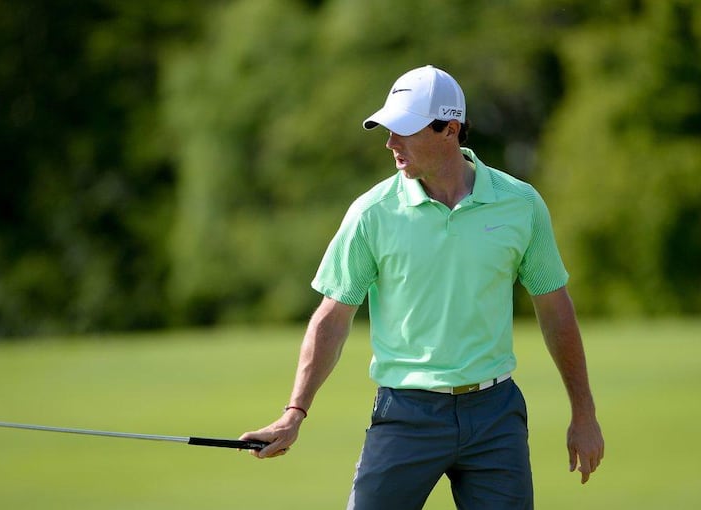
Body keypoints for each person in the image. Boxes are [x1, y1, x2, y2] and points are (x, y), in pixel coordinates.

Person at [240, 65, 604, 509]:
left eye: (404, 131)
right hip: (406, 416)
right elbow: (332, 319)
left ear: (450, 129)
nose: (390, 143)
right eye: (388, 130)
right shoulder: (372, 213)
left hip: (495, 416)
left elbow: (555, 309)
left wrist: (583, 412)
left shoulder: (520, 204)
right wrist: (294, 413)